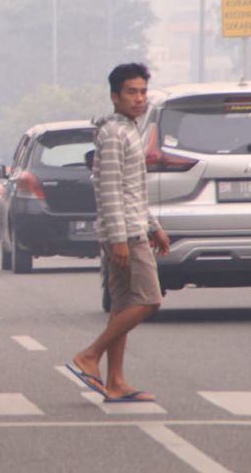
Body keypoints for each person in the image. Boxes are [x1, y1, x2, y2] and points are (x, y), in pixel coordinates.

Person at [67, 63, 170, 403]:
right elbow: (109, 189)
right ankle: (89, 356)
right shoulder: (113, 134)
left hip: (135, 227)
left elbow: (133, 189)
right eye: (131, 92)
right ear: (115, 96)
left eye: (142, 92)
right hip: (124, 232)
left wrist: (155, 227)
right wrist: (119, 239)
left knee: (123, 305)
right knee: (149, 299)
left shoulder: (129, 130)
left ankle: (115, 382)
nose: (139, 99)